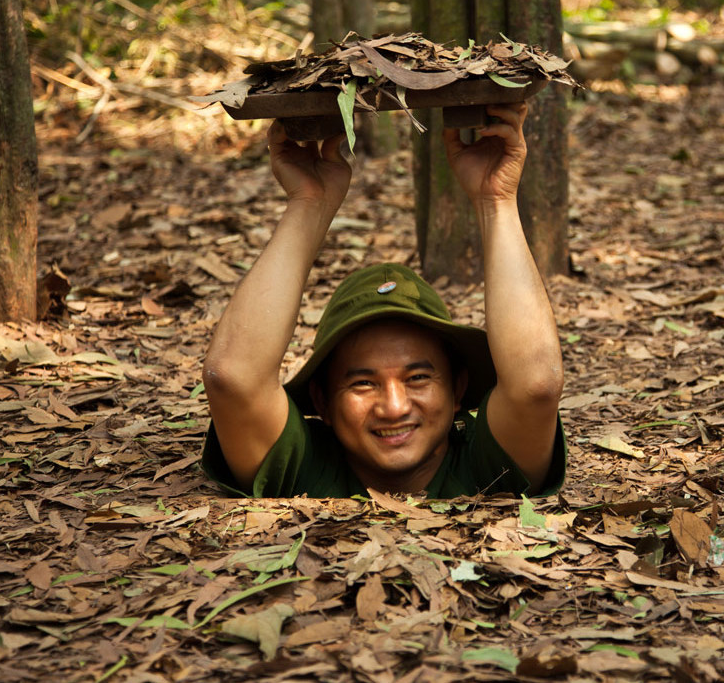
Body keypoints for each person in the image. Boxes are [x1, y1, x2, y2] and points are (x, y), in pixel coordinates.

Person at [200, 102, 566, 498]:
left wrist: (496, 202)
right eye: (362, 383)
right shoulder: (304, 466)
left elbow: (537, 384)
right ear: (321, 401)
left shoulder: (484, 466)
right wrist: (309, 203)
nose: (394, 407)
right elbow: (233, 378)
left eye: (418, 378)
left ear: (458, 388)